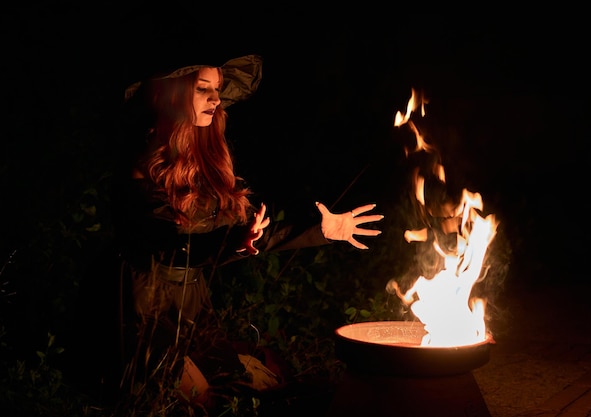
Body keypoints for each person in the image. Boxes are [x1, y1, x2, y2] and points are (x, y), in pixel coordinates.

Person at [102, 54, 383, 412]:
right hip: (144, 302)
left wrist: (321, 230)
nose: (216, 100)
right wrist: (232, 243)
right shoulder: (141, 167)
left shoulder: (207, 158)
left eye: (217, 90)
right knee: (202, 402)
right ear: (172, 95)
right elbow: (170, 246)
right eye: (203, 89)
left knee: (247, 389)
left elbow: (248, 235)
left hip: (191, 300)